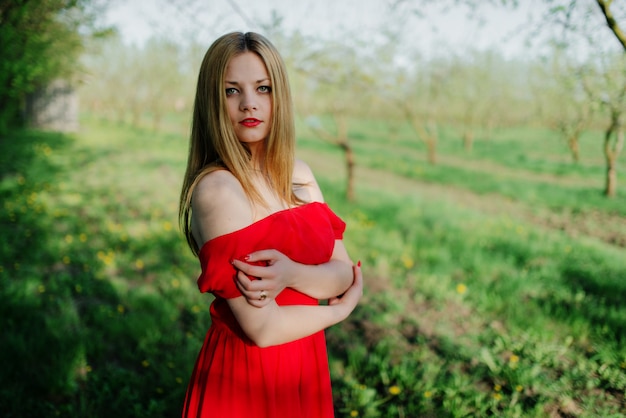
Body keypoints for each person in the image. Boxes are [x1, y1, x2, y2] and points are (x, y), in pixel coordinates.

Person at [178, 31, 363, 418]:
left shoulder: (300, 175)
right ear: (213, 101)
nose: (249, 104)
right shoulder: (218, 190)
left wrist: (291, 274)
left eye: (263, 88)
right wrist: (337, 312)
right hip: (247, 379)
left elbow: (344, 272)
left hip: (305, 369)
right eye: (232, 91)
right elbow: (263, 328)